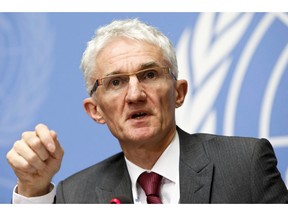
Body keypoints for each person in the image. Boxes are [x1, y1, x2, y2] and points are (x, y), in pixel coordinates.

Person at [6, 18, 288, 204]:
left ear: (178, 93)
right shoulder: (75, 194)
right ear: (95, 111)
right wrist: (33, 189)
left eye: (150, 75)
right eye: (115, 82)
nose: (135, 94)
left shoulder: (246, 164)